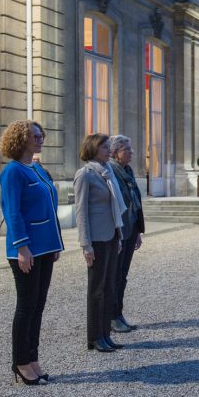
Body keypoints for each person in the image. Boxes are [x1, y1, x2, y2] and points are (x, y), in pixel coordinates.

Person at [0, 120, 63, 385]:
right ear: (20, 139)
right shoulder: (13, 172)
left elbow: (50, 206)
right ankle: (20, 362)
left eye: (41, 134)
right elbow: (12, 212)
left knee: (38, 306)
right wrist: (22, 247)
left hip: (46, 247)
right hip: (26, 250)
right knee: (26, 306)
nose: (40, 139)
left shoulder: (37, 168)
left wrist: (56, 244)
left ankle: (33, 358)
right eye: (35, 135)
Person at [74, 133, 127, 353]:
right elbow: (81, 212)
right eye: (105, 147)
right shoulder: (85, 175)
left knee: (108, 287)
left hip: (112, 236)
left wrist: (120, 234)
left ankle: (105, 334)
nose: (108, 150)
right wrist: (85, 244)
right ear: (93, 149)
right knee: (96, 290)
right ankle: (94, 337)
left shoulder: (108, 173)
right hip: (96, 239)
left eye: (108, 147)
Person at [108, 135, 144, 333]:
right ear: (115, 152)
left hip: (130, 229)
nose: (131, 153)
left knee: (122, 276)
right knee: (115, 275)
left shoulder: (127, 170)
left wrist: (138, 230)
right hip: (119, 231)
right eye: (127, 150)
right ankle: (112, 317)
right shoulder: (112, 171)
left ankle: (118, 314)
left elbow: (135, 201)